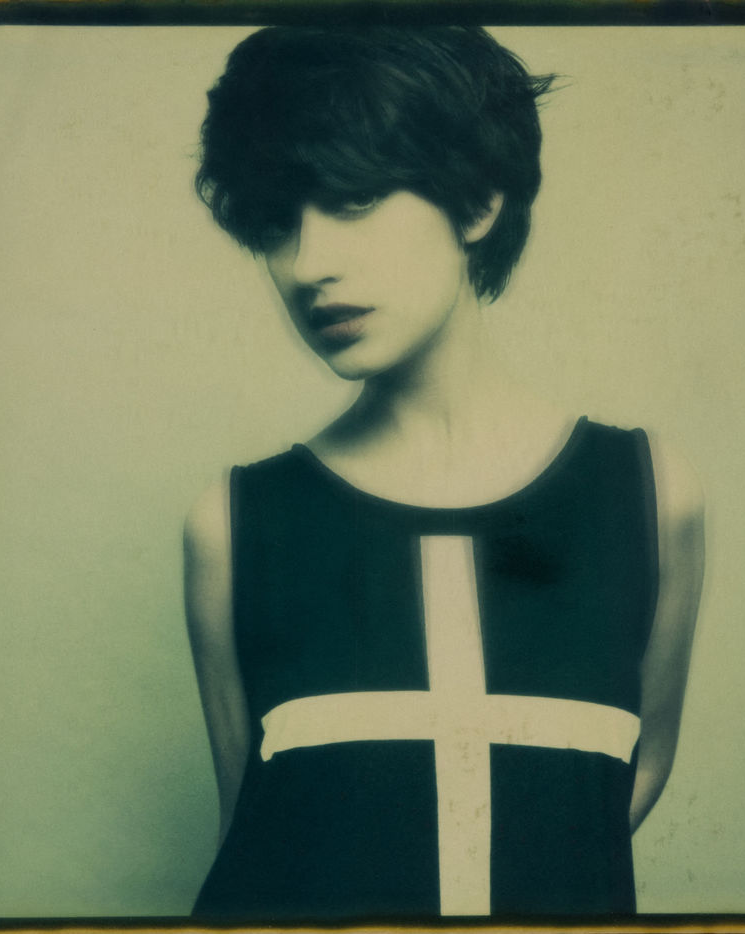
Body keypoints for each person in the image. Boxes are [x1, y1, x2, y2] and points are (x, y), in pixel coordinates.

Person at [184, 25, 704, 922]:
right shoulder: (233, 523)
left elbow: (616, 790)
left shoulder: (650, 493)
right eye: (275, 222)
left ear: (478, 200)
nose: (307, 264)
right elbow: (252, 825)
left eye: (351, 198)